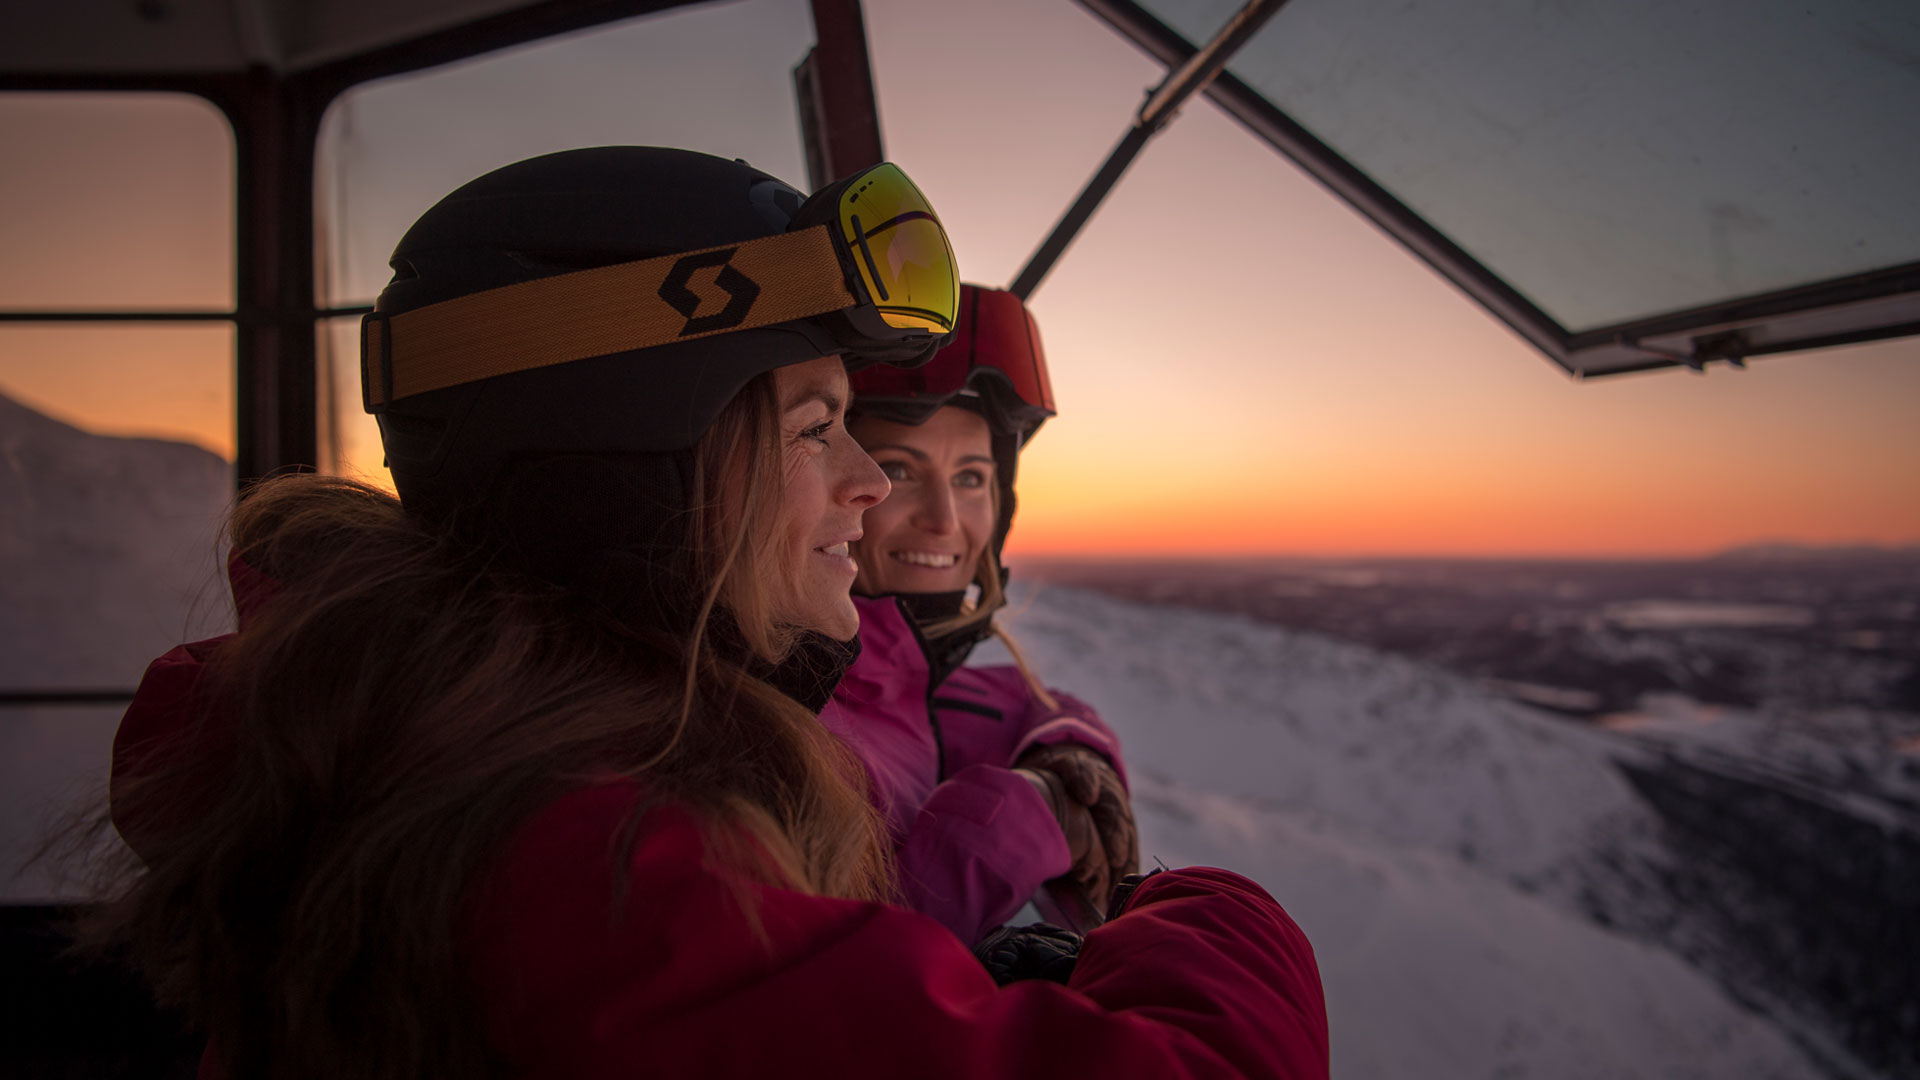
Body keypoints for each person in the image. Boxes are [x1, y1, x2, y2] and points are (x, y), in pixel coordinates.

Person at [88, 147, 1329, 1079]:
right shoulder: (588, 865)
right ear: (631, 459)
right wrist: (1209, 911)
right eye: (815, 428)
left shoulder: (442, 742)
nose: (867, 485)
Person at [824, 284, 1137, 945]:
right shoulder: (792, 716)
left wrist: (1067, 752)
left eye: (970, 478)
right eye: (898, 470)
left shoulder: (911, 682)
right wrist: (1017, 820)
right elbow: (848, 996)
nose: (943, 520)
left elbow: (1029, 704)